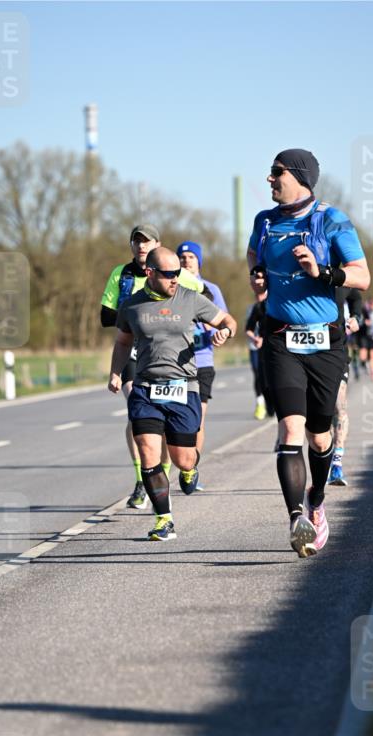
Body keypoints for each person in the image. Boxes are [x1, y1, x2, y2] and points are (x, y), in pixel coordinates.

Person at [247, 148, 369, 558]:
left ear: (298, 176)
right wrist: (258, 279)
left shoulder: (331, 220)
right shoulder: (265, 222)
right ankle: (296, 517)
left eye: (275, 172)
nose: (269, 179)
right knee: (290, 430)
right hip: (281, 338)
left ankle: (317, 503)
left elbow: (362, 275)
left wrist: (323, 271)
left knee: (320, 437)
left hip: (325, 341)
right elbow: (254, 258)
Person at [108, 248, 237, 541]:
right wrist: (115, 372)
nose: (175, 279)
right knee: (148, 454)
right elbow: (122, 342)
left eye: (178, 273)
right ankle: (164, 520)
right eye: (169, 275)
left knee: (183, 459)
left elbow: (229, 321)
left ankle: (191, 471)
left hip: (184, 386)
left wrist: (225, 333)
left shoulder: (191, 299)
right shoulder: (131, 306)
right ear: (151, 274)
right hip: (145, 388)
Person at [100, 223, 202, 509]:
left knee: (170, 431)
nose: (141, 246)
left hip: (171, 359)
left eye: (147, 242)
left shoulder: (174, 275)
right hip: (136, 351)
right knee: (139, 415)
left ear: (157, 244)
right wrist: (135, 312)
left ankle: (168, 470)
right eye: (136, 242)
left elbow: (198, 298)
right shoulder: (121, 275)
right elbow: (106, 315)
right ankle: (142, 480)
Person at [176, 241, 227, 492]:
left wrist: (219, 333)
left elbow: (225, 323)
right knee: (172, 422)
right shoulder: (170, 288)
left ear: (199, 262)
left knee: (197, 420)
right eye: (182, 258)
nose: (187, 261)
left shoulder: (211, 289)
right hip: (173, 364)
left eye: (191, 257)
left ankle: (191, 467)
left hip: (202, 361)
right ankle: (175, 465)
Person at [328, 287, 363, 486]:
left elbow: (356, 297)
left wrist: (356, 316)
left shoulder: (341, 278)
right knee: (318, 416)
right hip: (306, 356)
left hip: (337, 353)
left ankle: (337, 464)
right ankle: (324, 457)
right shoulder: (299, 275)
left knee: (339, 408)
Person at [245, 268, 274, 421]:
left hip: (277, 347)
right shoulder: (255, 307)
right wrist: (256, 338)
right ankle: (264, 404)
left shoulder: (276, 302)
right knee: (260, 378)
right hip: (258, 347)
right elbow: (248, 328)